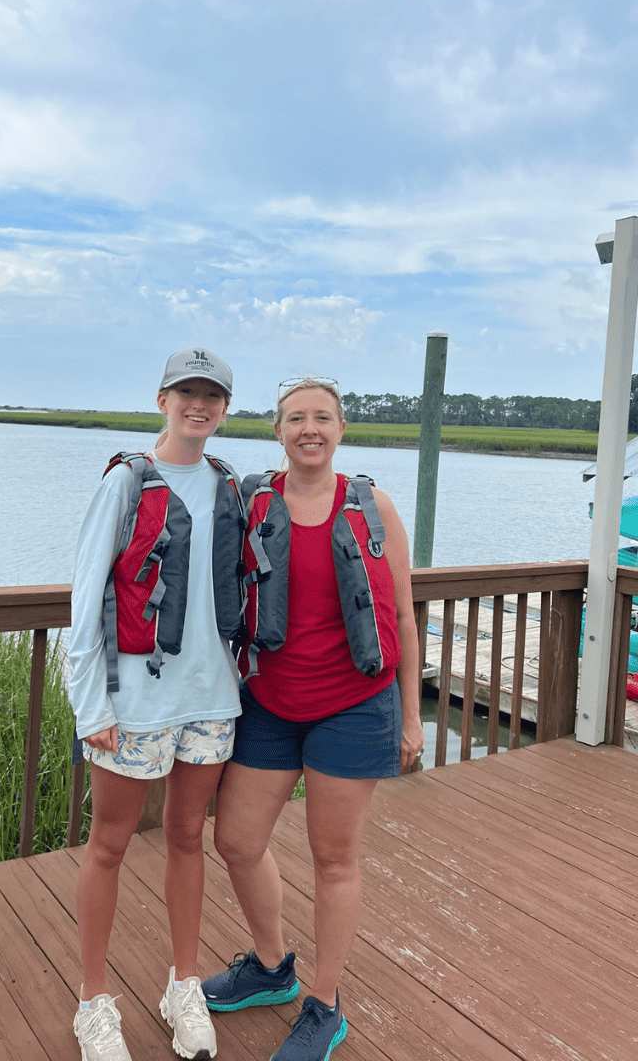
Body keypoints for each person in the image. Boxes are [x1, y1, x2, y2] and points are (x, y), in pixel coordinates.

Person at [201, 377, 424, 1061]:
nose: (309, 428)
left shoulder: (372, 505)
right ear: (277, 431)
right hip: (270, 700)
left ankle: (324, 1006)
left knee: (334, 859)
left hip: (355, 705)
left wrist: (411, 717)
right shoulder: (252, 500)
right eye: (295, 417)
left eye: (321, 417)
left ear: (341, 428)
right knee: (236, 840)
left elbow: (405, 617)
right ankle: (272, 967)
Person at [68, 347, 244, 1061]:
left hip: (211, 700)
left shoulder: (230, 486)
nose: (198, 405)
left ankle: (184, 985)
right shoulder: (126, 482)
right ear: (162, 399)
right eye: (185, 392)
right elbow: (84, 597)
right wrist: (92, 706)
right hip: (133, 701)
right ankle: (92, 1002)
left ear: (225, 408)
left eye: (211, 395)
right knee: (108, 845)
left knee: (186, 840)